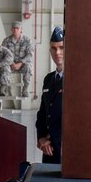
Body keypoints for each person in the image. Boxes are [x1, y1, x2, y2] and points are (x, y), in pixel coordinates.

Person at [35, 27, 65, 164]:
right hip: (49, 150)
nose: (57, 52)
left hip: (66, 150)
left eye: (61, 47)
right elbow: (42, 113)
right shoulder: (48, 79)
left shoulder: (77, 80)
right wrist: (41, 137)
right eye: (53, 48)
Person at [2, 21, 34, 97]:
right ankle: (5, 87)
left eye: (17, 28)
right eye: (14, 28)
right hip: (10, 64)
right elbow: (3, 54)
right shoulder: (6, 41)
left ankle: (25, 89)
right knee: (3, 67)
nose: (15, 30)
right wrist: (12, 63)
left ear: (21, 29)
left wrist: (20, 63)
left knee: (28, 67)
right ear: (11, 29)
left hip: (22, 64)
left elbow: (30, 54)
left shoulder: (27, 40)